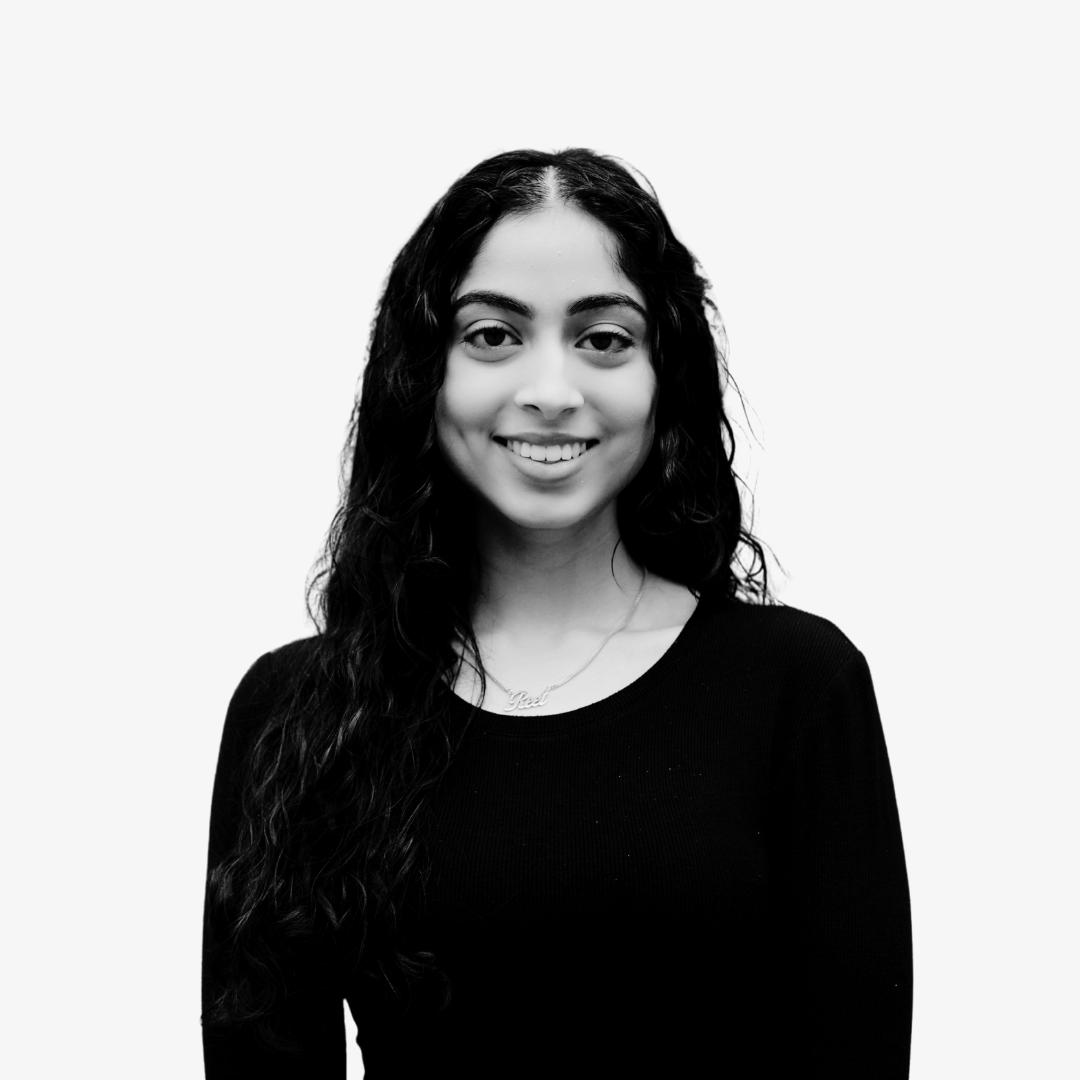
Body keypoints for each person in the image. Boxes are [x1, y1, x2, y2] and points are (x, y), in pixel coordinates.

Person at [202, 148, 913, 1078]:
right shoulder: (297, 713)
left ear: (665, 375)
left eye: (604, 339)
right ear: (423, 372)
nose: (549, 391)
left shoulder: (798, 687)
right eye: (493, 335)